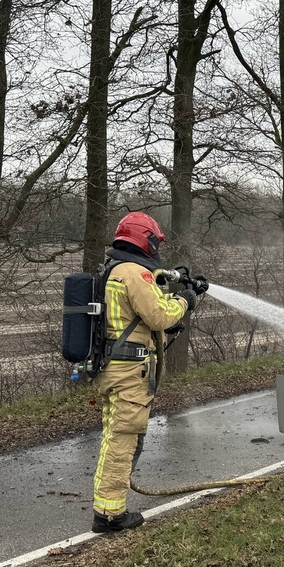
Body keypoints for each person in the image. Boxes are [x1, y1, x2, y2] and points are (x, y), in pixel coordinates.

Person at [91, 211, 208, 533]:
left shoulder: (114, 268)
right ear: (146, 240)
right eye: (155, 241)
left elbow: (137, 315)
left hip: (115, 367)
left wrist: (169, 316)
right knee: (123, 439)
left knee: (116, 436)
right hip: (129, 372)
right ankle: (110, 514)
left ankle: (108, 505)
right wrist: (186, 300)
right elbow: (158, 314)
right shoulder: (134, 272)